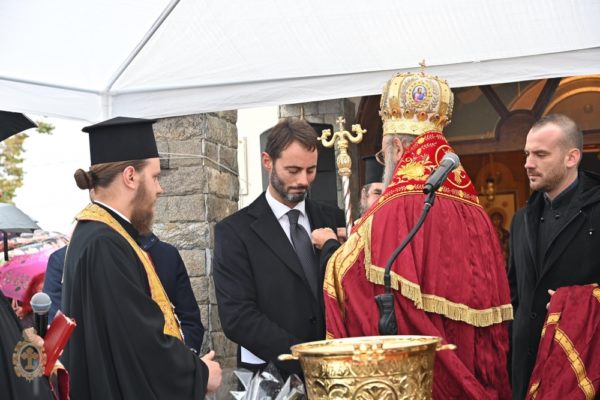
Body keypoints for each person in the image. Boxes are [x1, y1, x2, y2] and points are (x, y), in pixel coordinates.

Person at [324, 71, 513, 399]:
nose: (386, 162)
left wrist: (334, 250)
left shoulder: (392, 211)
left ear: (397, 147)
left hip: (419, 383)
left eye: (384, 155)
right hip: (477, 378)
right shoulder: (478, 213)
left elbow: (348, 279)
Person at [61, 117, 221, 399]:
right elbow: (139, 342)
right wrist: (199, 373)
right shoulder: (105, 243)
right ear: (131, 176)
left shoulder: (97, 234)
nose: (160, 189)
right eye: (155, 177)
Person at [213, 117, 343, 377]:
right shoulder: (235, 231)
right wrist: (305, 359)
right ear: (267, 162)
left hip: (335, 371)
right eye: (293, 170)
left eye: (311, 170)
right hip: (271, 376)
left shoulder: (334, 219)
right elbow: (238, 317)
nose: (303, 180)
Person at [508, 113, 600, 399]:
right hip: (525, 371)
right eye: (527, 154)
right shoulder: (520, 219)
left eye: (540, 154)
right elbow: (514, 297)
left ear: (571, 157)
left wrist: (578, 303)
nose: (528, 163)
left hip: (584, 372)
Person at [43, 233, 205, 353]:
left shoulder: (165, 255)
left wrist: (185, 364)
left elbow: (189, 321)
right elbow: (58, 330)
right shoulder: (63, 261)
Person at [311, 154, 384, 265]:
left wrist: (329, 244)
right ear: (364, 195)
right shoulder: (346, 226)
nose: (383, 199)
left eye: (388, 194)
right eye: (377, 193)